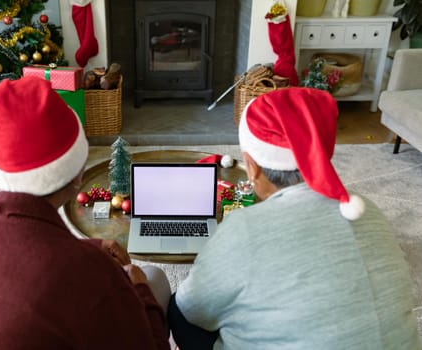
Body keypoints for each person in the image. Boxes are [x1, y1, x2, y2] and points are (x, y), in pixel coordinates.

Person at [168, 87, 422, 350]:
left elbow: (192, 308)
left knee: (177, 309)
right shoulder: (366, 208)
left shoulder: (245, 229)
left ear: (251, 166)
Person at [0, 76, 171, 349]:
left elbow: (28, 259)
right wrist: (140, 288)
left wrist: (91, 247)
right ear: (76, 174)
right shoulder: (90, 271)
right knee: (154, 277)